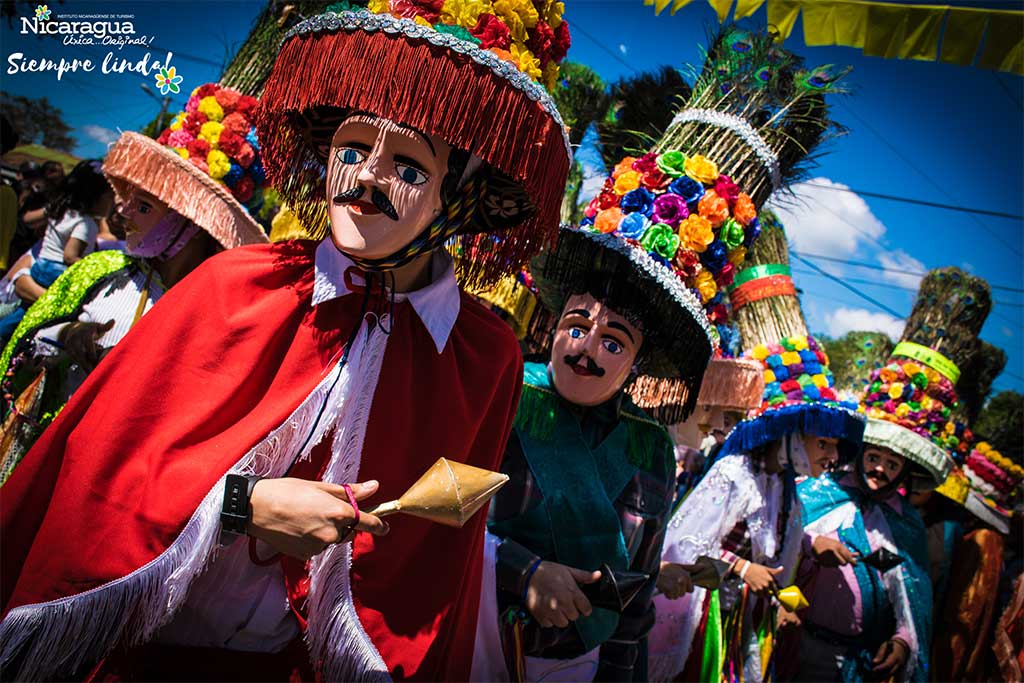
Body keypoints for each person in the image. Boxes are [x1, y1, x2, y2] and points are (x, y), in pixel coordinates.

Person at [0, 4, 571, 681]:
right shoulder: (236, 286)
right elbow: (98, 472)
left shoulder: (483, 356)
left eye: (408, 167)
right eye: (352, 151)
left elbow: (442, 565)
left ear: (463, 198)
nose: (363, 179)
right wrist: (243, 505)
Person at [473, 212, 714, 682]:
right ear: (555, 327)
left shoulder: (650, 447)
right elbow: (432, 518)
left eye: (613, 343)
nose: (585, 350)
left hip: (583, 667)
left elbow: (638, 595)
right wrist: (522, 571)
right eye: (578, 327)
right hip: (473, 641)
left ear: (637, 365)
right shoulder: (503, 393)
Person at [0, 84, 270, 483]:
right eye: (129, 200)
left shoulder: (216, 311)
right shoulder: (102, 269)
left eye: (143, 206)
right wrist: (68, 333)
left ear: (191, 222)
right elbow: (28, 339)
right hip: (45, 463)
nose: (122, 211)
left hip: (118, 480)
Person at [792, 417, 949, 682]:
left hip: (852, 659)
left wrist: (903, 639)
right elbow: (780, 539)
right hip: (794, 636)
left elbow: (910, 593)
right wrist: (812, 545)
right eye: (873, 458)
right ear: (860, 454)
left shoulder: (905, 524)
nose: (879, 469)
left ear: (903, 472)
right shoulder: (820, 489)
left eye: (892, 464)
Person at [0, 162, 113, 339]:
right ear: (96, 197)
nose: (112, 202)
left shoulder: (61, 210)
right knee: (27, 319)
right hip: (55, 272)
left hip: (39, 266)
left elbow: (28, 220)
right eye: (109, 197)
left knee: (20, 313)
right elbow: (70, 255)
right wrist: (93, 268)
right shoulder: (86, 224)